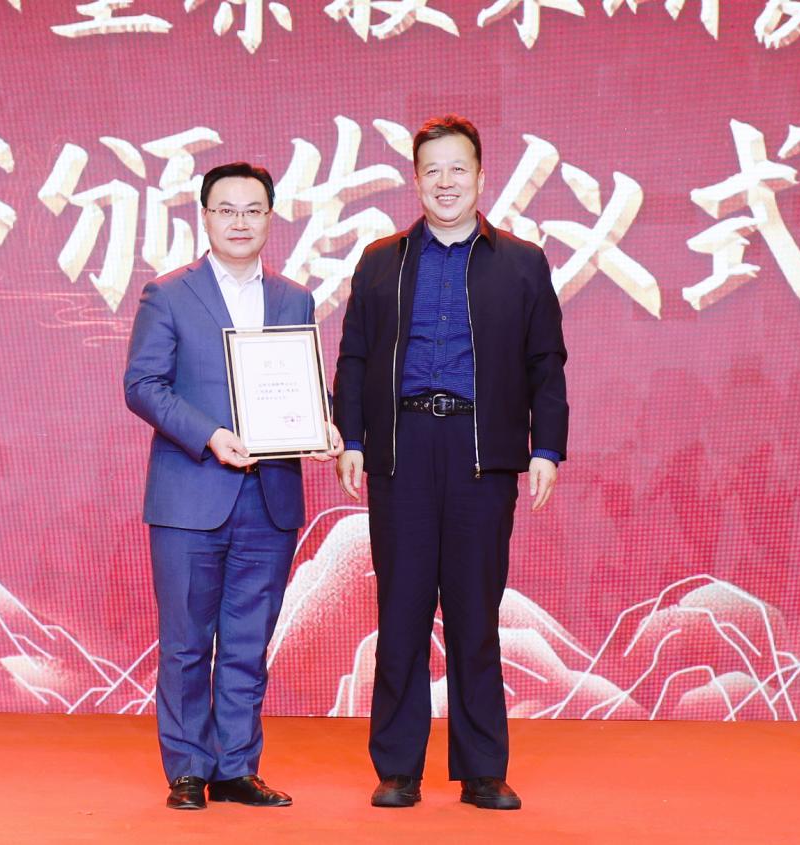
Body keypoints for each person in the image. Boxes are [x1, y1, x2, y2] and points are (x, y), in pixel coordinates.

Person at [332, 115, 568, 811]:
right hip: (401, 449)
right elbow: (353, 356)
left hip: (480, 454)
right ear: (415, 180)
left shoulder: (521, 262)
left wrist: (546, 447)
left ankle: (482, 768)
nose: (444, 182)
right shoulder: (381, 260)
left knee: (474, 611)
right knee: (401, 609)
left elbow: (545, 363)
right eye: (431, 169)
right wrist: (351, 437)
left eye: (457, 168)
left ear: (480, 176)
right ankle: (397, 766)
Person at [124, 162, 342, 810]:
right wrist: (210, 434)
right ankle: (188, 768)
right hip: (191, 491)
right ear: (205, 217)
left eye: (252, 210)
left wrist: (324, 421)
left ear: (270, 218)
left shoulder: (294, 299)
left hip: (269, 496)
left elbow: (302, 384)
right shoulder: (168, 294)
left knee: (248, 642)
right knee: (187, 642)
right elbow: (142, 385)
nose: (239, 222)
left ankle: (236, 767)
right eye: (226, 210)